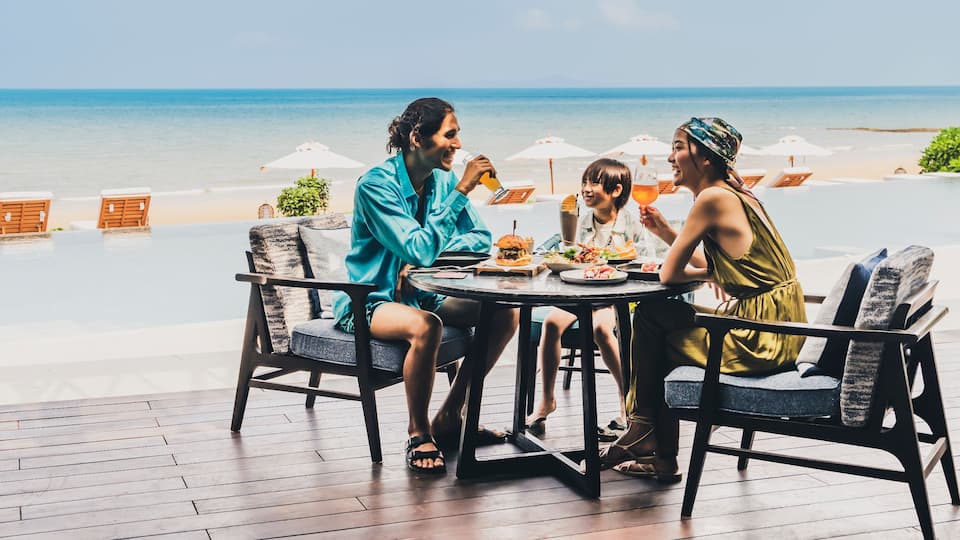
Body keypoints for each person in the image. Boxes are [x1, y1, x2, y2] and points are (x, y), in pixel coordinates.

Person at [599, 117, 807, 481]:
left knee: (651, 322)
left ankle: (646, 432)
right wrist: (667, 233)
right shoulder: (734, 194)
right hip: (779, 322)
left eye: (679, 148)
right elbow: (720, 265)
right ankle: (655, 447)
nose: (670, 158)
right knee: (656, 316)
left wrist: (708, 273)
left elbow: (669, 275)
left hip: (763, 336)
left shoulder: (712, 198)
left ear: (706, 157)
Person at [331, 97, 519, 474]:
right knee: (426, 326)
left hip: (421, 293)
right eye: (450, 135)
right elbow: (418, 246)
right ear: (417, 137)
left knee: (504, 312)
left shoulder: (442, 180)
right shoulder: (375, 186)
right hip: (369, 300)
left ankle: (450, 414)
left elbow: (480, 238)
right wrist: (461, 194)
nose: (458, 145)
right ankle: (418, 431)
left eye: (458, 135)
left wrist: (421, 258)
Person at [526, 158, 642, 440]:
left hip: (611, 293)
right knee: (551, 324)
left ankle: (626, 401)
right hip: (581, 290)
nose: (586, 189)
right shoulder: (581, 219)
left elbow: (641, 256)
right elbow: (572, 255)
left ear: (616, 190)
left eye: (594, 183)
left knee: (601, 329)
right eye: (584, 182)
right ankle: (546, 400)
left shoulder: (629, 221)